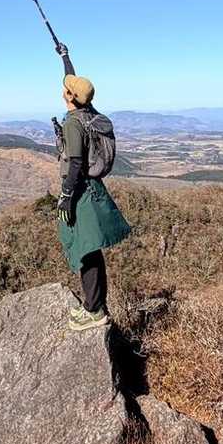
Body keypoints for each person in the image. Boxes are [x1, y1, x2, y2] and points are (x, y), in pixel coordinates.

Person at [54, 42, 131, 332]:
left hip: (81, 193)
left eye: (66, 90)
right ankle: (96, 304)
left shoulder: (73, 124)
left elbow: (75, 163)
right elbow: (74, 82)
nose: (63, 90)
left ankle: (94, 310)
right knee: (91, 249)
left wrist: (65, 197)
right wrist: (65, 57)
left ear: (69, 97)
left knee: (85, 250)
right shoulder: (90, 113)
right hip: (93, 190)